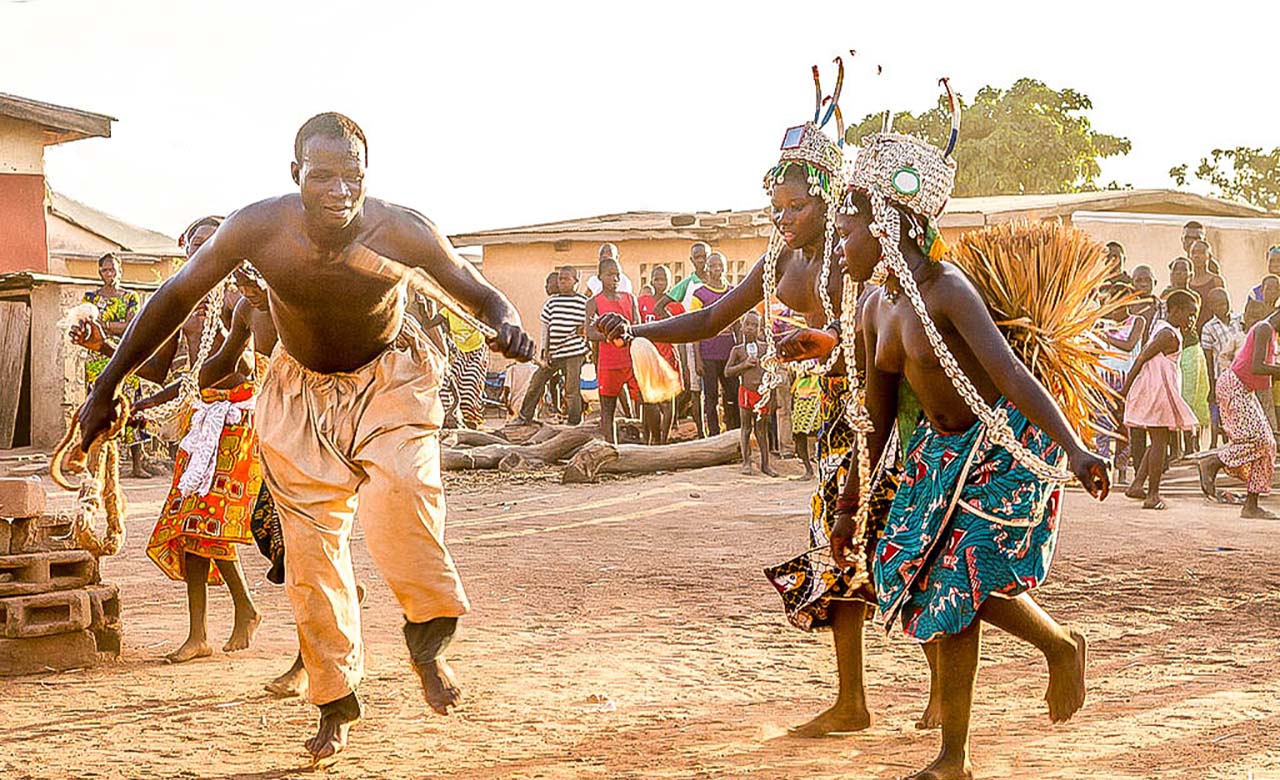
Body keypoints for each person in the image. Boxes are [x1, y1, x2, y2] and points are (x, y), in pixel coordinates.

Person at [77, 112, 535, 761]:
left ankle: (427, 639)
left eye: (352, 175)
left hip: (388, 380)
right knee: (311, 556)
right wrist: (106, 387)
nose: (339, 191)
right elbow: (177, 294)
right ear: (296, 175)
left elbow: (483, 295)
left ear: (367, 175)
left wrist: (508, 323)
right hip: (295, 395)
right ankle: (335, 700)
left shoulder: (403, 228)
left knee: (404, 489)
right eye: (323, 176)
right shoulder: (258, 227)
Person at [598, 89, 929, 736]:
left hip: (889, 419)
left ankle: (942, 694)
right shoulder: (783, 257)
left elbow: (892, 328)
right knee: (836, 548)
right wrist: (635, 331)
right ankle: (852, 701)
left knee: (912, 547)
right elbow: (714, 316)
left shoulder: (856, 253)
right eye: (776, 207)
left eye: (796, 207)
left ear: (831, 198)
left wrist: (828, 345)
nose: (782, 219)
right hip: (837, 423)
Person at [828, 121, 1109, 780]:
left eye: (849, 231)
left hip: (1005, 443)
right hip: (939, 452)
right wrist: (848, 511)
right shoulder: (876, 306)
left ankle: (1056, 654)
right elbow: (873, 421)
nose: (842, 246)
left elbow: (1011, 376)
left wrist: (1076, 448)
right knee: (935, 587)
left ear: (890, 227)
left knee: (965, 576)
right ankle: (959, 753)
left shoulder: (947, 290)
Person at [1121, 290, 1201, 510]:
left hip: (1158, 390)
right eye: (1190, 314)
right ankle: (1152, 495)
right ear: (1176, 310)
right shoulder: (1167, 334)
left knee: (1159, 438)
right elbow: (1142, 357)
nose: (1192, 319)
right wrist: (1125, 390)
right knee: (1159, 441)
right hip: (1158, 392)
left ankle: (1137, 484)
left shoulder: (1169, 330)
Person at [1198, 305, 1280, 519]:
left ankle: (1251, 505)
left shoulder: (1269, 332)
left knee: (1267, 443)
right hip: (1235, 386)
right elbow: (1257, 367)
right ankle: (1213, 462)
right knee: (1258, 439)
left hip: (1244, 388)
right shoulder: (1263, 328)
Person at [82, 252, 156, 478]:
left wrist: (106, 326)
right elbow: (86, 326)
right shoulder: (90, 298)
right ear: (99, 272)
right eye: (104, 270)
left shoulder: (130, 297)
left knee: (131, 408)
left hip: (124, 357)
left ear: (120, 270)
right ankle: (94, 464)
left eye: (112, 269)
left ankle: (136, 464)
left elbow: (132, 325)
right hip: (96, 361)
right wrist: (114, 326)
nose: (109, 274)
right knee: (97, 408)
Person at [519, 266, 589, 426]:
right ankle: (524, 417)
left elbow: (591, 322)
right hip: (554, 352)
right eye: (560, 279)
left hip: (574, 352)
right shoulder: (552, 303)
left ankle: (574, 422)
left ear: (576, 281)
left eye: (566, 279)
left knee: (571, 389)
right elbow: (546, 328)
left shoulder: (583, 302)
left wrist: (584, 328)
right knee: (537, 382)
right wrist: (546, 351)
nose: (562, 282)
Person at [585, 256, 644, 443]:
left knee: (645, 402)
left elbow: (638, 328)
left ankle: (647, 442)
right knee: (607, 409)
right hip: (608, 363)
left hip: (632, 360)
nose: (615, 279)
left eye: (618, 275)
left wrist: (628, 335)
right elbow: (590, 333)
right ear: (600, 277)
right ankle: (610, 447)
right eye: (610, 275)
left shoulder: (630, 299)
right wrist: (612, 336)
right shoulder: (594, 303)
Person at [689, 252, 740, 435]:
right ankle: (713, 435)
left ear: (725, 268)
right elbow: (695, 328)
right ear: (707, 269)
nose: (717, 269)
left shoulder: (733, 292)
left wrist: (741, 352)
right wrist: (698, 359)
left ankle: (734, 433)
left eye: (720, 266)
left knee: (732, 395)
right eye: (713, 266)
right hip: (708, 353)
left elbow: (738, 325)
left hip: (729, 354)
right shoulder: (699, 294)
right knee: (710, 398)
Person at [726, 311, 776, 476]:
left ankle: (765, 464)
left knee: (761, 429)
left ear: (760, 329)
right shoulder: (737, 350)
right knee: (746, 428)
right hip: (746, 392)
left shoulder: (765, 348)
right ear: (742, 327)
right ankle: (746, 462)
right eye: (748, 324)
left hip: (762, 393)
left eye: (755, 325)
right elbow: (727, 372)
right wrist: (744, 365)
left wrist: (772, 395)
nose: (751, 328)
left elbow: (772, 371)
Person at [637, 265, 680, 443]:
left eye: (663, 279)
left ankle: (664, 439)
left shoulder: (675, 305)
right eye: (656, 279)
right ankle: (650, 437)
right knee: (649, 400)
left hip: (667, 356)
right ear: (651, 281)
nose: (659, 282)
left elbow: (681, 331)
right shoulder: (643, 302)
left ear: (669, 283)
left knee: (668, 400)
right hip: (648, 356)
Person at [1200, 288, 1244, 448]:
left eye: (1225, 303)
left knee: (1237, 409)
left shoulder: (1239, 321)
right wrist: (1211, 384)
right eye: (1218, 304)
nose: (1223, 307)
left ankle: (1235, 441)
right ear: (1211, 306)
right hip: (1221, 375)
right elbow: (1208, 359)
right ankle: (1213, 443)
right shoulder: (1208, 328)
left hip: (1240, 374)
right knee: (1219, 409)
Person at [436, 307, 490, 429]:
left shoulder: (477, 309)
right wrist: (423, 309)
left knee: (470, 386)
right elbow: (430, 322)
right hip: (459, 353)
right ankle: (455, 418)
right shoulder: (448, 310)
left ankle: (470, 420)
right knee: (447, 388)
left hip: (476, 350)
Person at [1188, 240, 1225, 332]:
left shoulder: (1216, 281)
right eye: (1194, 252)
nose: (1197, 256)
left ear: (1209, 256)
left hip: (1213, 331)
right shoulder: (1187, 281)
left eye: (1201, 252)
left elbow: (1223, 308)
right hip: (1191, 332)